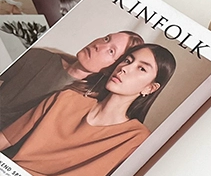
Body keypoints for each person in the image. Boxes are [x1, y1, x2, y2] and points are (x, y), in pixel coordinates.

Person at [0, 43, 177, 176]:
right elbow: (6, 139)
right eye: (127, 60)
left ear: (150, 88)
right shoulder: (66, 98)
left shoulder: (137, 140)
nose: (124, 68)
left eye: (141, 68)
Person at [0, 30, 144, 130]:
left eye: (111, 51)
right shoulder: (39, 56)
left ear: (111, 69)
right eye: (106, 38)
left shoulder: (84, 101)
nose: (98, 46)